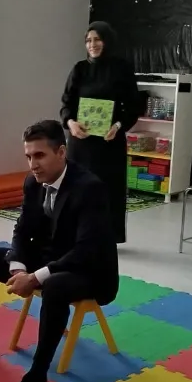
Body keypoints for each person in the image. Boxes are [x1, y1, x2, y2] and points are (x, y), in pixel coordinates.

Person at [0, 120, 118, 382]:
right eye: (28, 156)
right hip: (49, 258)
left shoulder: (90, 188)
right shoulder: (33, 181)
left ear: (61, 152)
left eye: (39, 155)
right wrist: (18, 268)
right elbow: (22, 229)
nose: (32, 164)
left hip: (88, 270)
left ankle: (40, 366)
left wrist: (36, 277)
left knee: (54, 286)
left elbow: (86, 250)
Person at [60, 21, 141, 244]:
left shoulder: (122, 69)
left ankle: (106, 238)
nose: (92, 44)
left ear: (107, 41)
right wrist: (71, 123)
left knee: (107, 190)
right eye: (88, 40)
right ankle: (74, 234)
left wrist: (118, 126)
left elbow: (133, 106)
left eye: (97, 39)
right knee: (77, 188)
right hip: (81, 143)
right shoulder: (80, 69)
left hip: (109, 143)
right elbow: (66, 104)